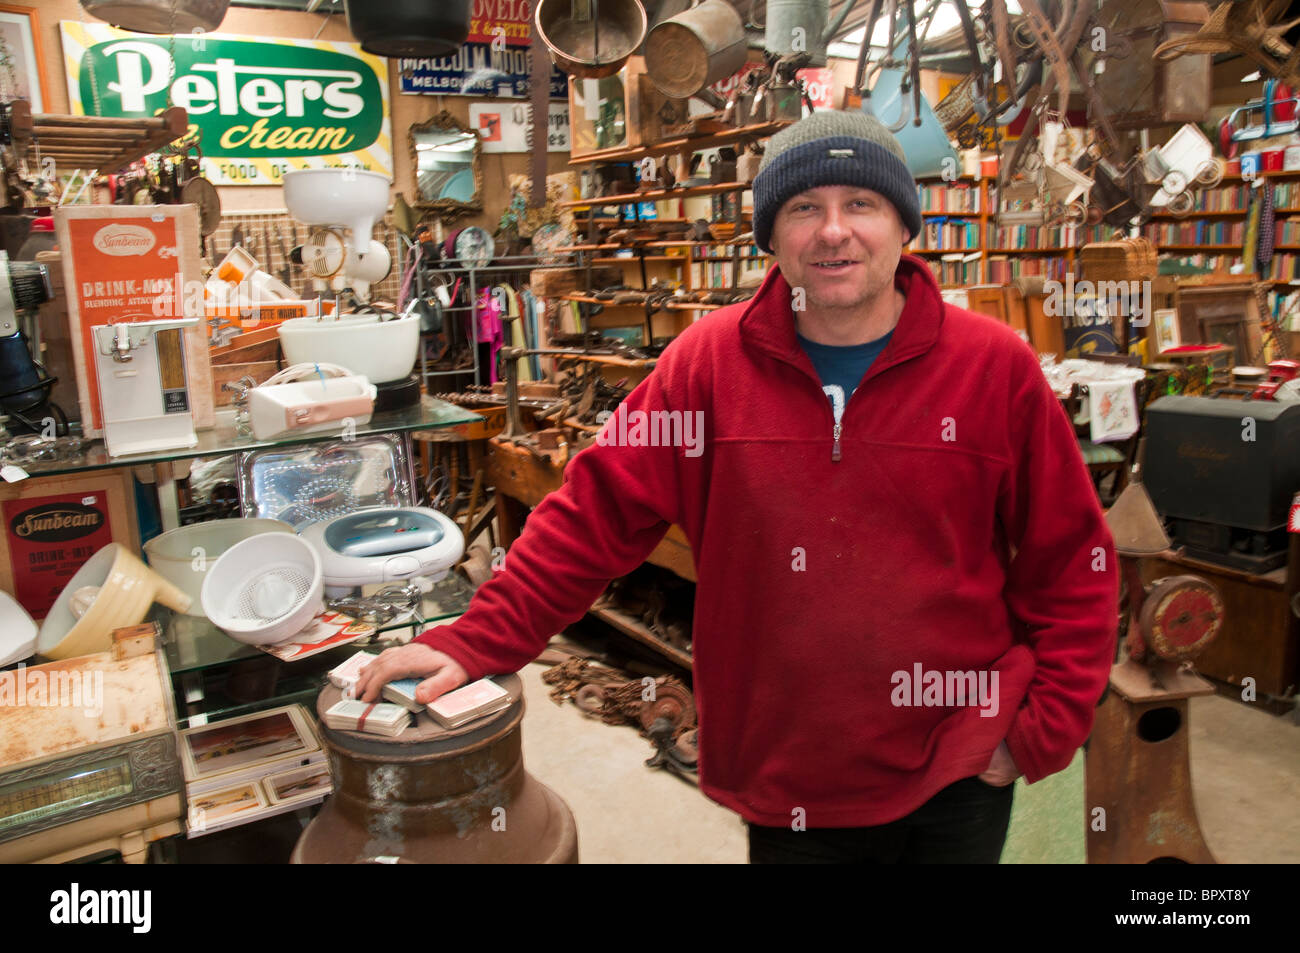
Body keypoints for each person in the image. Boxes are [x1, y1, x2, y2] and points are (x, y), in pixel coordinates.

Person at [356, 110, 1118, 864]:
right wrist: (476, 639)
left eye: (861, 203)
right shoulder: (706, 366)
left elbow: (1072, 560)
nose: (832, 230)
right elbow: (593, 516)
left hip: (957, 766)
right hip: (788, 773)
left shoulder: (994, 366)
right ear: (770, 235)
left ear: (903, 224)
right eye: (803, 208)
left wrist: (1040, 729)